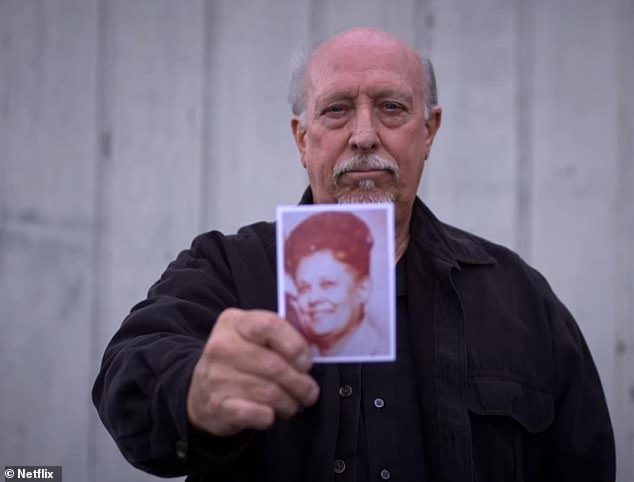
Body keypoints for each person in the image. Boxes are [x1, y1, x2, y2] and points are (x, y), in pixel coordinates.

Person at [92, 27, 615, 482]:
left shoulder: (518, 298)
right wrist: (193, 388)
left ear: (428, 130)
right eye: (337, 110)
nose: (364, 136)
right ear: (302, 137)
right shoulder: (228, 270)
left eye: (391, 107)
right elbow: (128, 374)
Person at [283, 211, 388, 358]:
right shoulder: (296, 356)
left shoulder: (383, 350)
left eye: (327, 285)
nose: (313, 299)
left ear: (363, 289)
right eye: (304, 288)